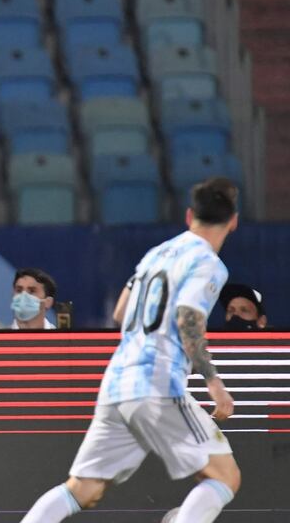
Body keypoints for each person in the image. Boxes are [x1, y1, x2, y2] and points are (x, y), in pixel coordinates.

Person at [20, 177, 242, 523]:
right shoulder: (208, 264)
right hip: (158, 384)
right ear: (233, 221)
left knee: (82, 489)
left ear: (188, 217)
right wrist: (214, 383)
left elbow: (121, 311)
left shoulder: (156, 254)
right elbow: (188, 317)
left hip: (118, 382)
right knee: (224, 477)